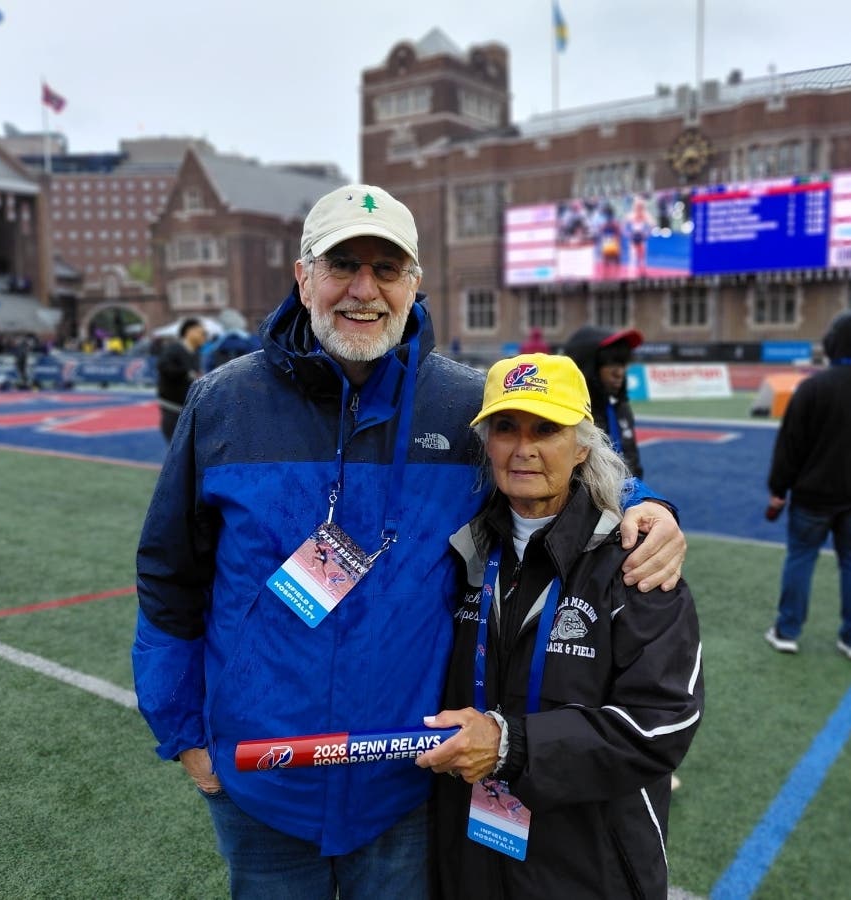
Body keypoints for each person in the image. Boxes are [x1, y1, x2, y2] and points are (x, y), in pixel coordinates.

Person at [133, 184, 688, 899]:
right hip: (264, 786)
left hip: (403, 790)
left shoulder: (464, 405)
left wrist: (653, 508)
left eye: (387, 269)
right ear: (304, 278)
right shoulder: (224, 404)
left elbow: (565, 471)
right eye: (342, 265)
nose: (364, 290)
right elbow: (170, 577)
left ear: (415, 285)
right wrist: (183, 734)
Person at [417, 353, 703, 899]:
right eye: (506, 427)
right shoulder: (461, 553)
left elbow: (662, 722)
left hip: (589, 867)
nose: (523, 448)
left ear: (583, 446)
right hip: (472, 858)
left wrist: (511, 746)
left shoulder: (634, 560)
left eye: (546, 428)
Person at [765, 312, 851, 661]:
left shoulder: (813, 388)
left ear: (832, 345)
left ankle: (787, 631)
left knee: (801, 557)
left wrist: (778, 489)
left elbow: (790, 445)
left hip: (813, 497)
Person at [563, 326, 645, 478]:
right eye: (611, 363)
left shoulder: (619, 407)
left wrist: (639, 496)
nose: (619, 372)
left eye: (622, 363)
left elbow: (632, 461)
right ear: (586, 364)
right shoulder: (570, 415)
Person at [155, 318, 207, 442]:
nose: (204, 337)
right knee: (175, 445)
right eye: (202, 333)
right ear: (190, 331)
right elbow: (163, 366)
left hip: (187, 406)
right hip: (172, 406)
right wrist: (186, 373)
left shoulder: (195, 352)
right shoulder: (174, 349)